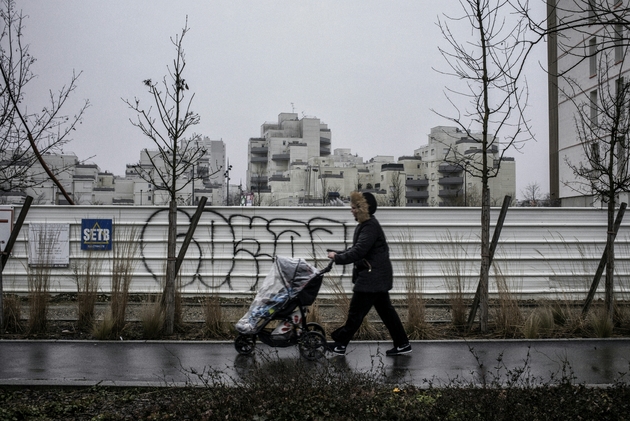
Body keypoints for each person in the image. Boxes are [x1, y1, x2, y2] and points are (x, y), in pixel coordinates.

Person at [326, 191, 411, 356]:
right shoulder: (365, 225)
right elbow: (356, 249)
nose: (351, 210)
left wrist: (338, 258)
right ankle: (402, 343)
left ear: (362, 209)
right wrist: (339, 254)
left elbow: (359, 251)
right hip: (376, 276)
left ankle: (340, 344)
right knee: (387, 312)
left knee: (355, 313)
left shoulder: (370, 226)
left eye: (353, 208)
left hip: (372, 278)